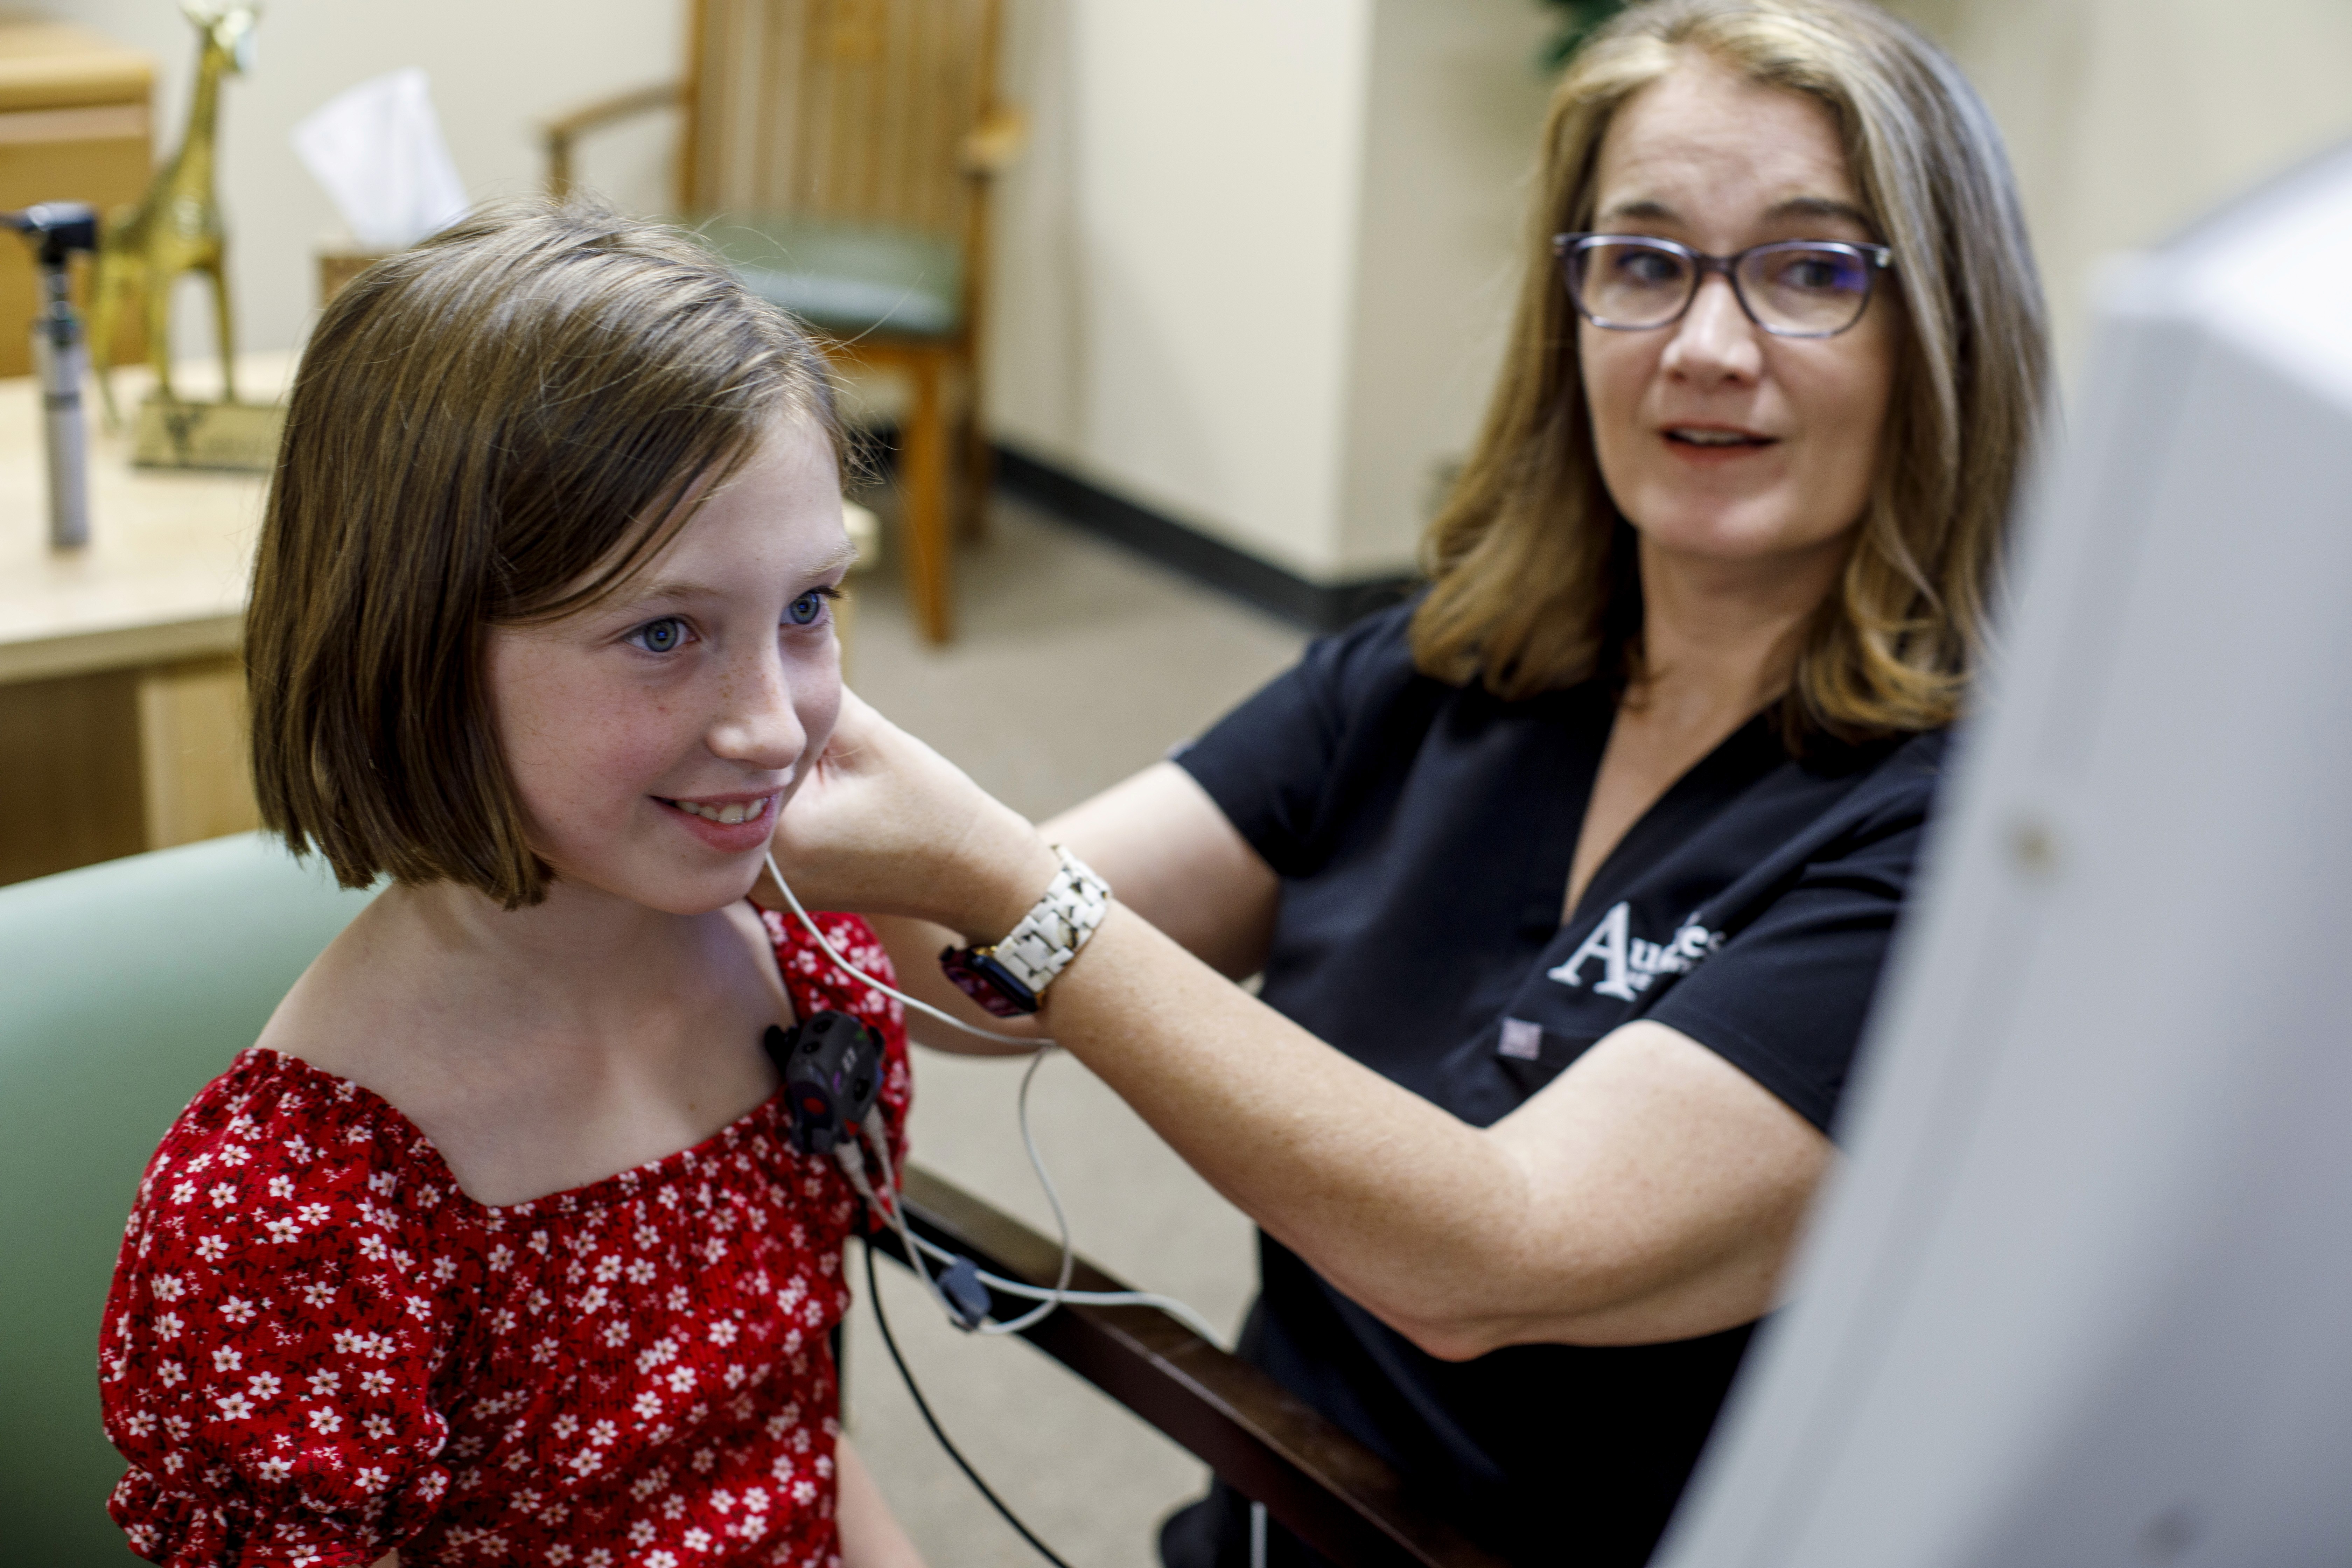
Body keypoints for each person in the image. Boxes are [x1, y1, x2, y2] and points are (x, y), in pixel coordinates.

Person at [761, 1, 2049, 1563]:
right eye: (1643, 262)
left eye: (1811, 269)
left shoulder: (1965, 834)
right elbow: (966, 977)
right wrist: (747, 726)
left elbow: (1486, 1257)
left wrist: (1002, 887)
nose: (1708, 347)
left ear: (1945, 330)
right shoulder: (1437, 670)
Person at [96, 204, 927, 1568]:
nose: (777, 725)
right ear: (413, 649)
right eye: (665, 631)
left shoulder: (804, 968)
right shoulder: (297, 1216)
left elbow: (793, 1441)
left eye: (807, 607)